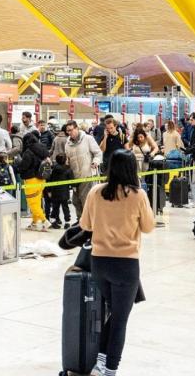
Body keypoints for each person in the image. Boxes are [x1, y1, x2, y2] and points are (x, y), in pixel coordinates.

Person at [79, 150, 154, 376]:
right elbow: (149, 227)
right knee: (120, 319)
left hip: (100, 263)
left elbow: (86, 225)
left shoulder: (95, 192)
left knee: (115, 315)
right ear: (133, 169)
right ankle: (110, 369)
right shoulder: (138, 195)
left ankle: (101, 363)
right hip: (126, 265)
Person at [66, 121, 102, 222]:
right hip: (75, 178)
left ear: (77, 128)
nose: (69, 132)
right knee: (76, 201)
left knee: (86, 200)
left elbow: (98, 153)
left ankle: (88, 223)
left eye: (71, 130)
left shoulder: (88, 139)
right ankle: (80, 221)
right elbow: (68, 158)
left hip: (87, 175)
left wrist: (95, 162)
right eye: (67, 131)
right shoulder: (67, 143)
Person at [16, 131, 50, 231]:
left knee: (33, 204)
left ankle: (45, 221)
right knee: (37, 202)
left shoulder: (28, 152)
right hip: (41, 179)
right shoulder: (43, 149)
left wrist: (18, 165)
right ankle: (35, 223)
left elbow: (24, 166)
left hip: (31, 181)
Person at [46, 154, 74, 228]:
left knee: (55, 208)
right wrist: (75, 186)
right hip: (64, 193)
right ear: (65, 160)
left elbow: (49, 180)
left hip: (54, 192)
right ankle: (67, 222)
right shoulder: (68, 169)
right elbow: (72, 181)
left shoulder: (53, 169)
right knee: (65, 208)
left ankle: (54, 221)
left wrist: (49, 190)